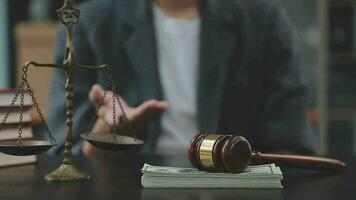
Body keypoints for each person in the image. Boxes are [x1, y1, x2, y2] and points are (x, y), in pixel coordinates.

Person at [48, 0, 317, 156]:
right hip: (127, 186)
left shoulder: (262, 21)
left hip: (237, 187)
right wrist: (102, 137)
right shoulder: (88, 25)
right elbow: (62, 153)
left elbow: (292, 146)